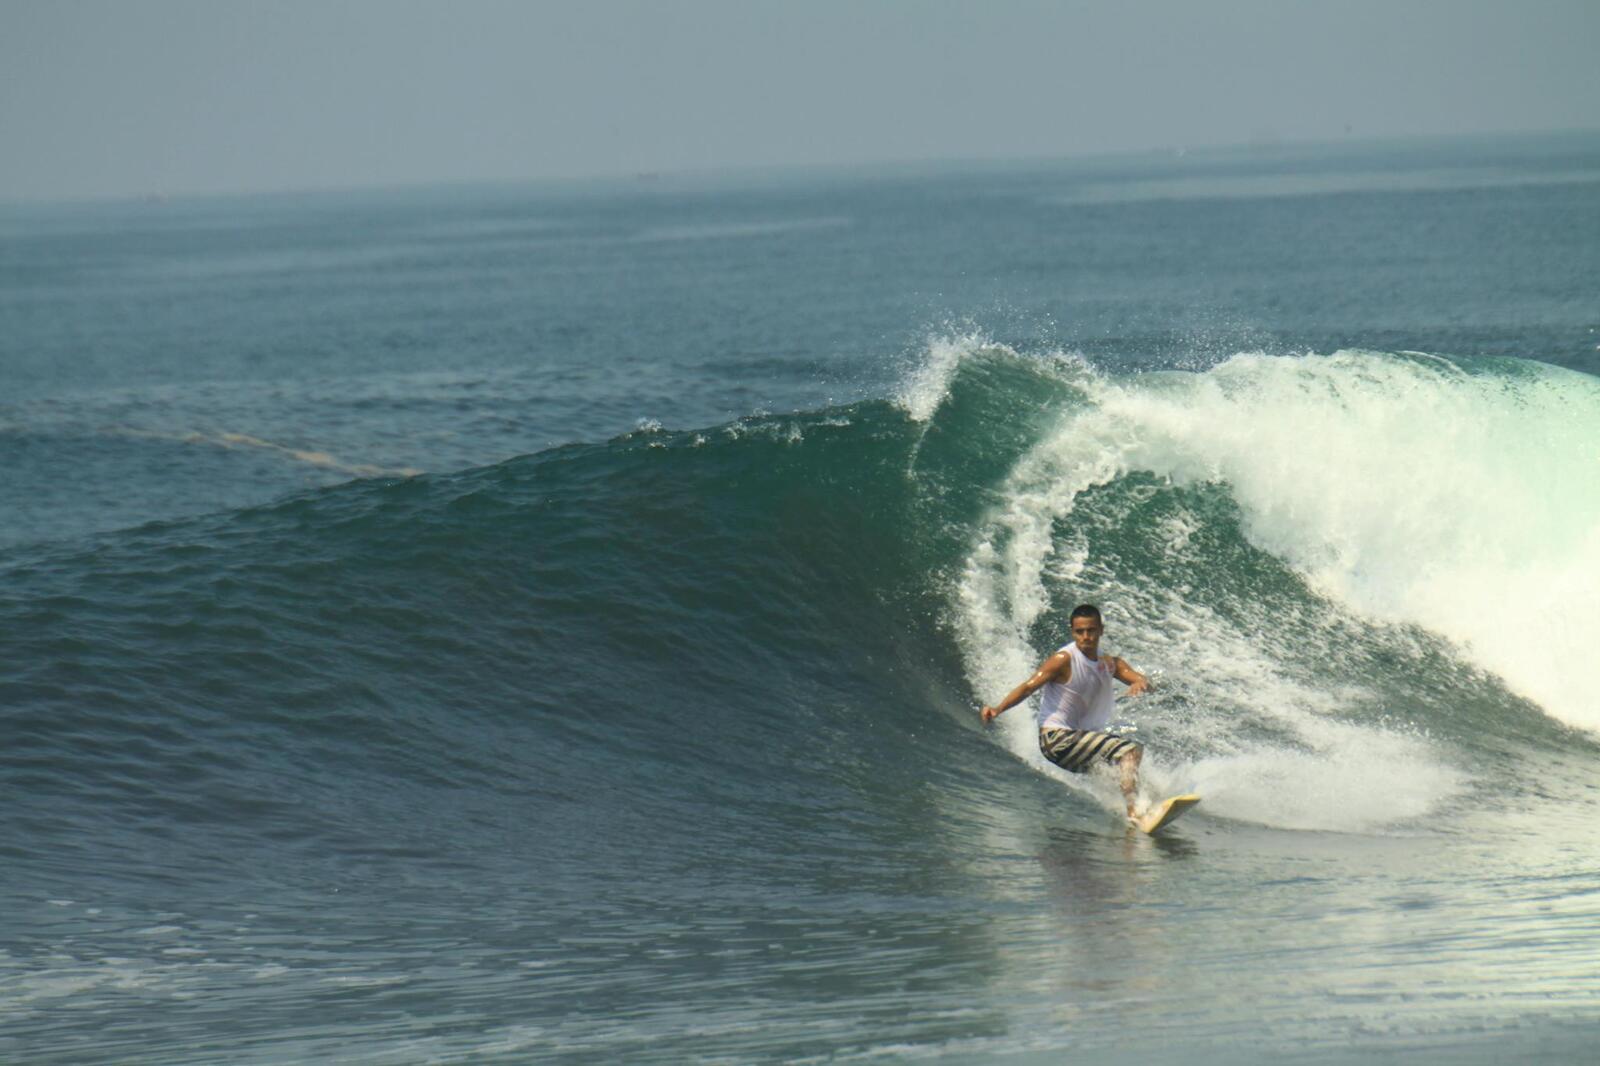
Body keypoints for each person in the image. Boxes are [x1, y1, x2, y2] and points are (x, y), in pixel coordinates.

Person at [980, 604, 1151, 818]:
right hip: (1057, 739)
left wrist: (1139, 684)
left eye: (1091, 630)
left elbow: (1139, 679)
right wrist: (998, 709)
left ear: (1101, 630)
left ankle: (1141, 808)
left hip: (1074, 740)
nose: (1086, 636)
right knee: (1129, 751)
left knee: (1124, 767)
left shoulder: (1110, 663)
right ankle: (1134, 811)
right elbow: (1028, 686)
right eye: (1080, 631)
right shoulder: (1064, 659)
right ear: (1072, 632)